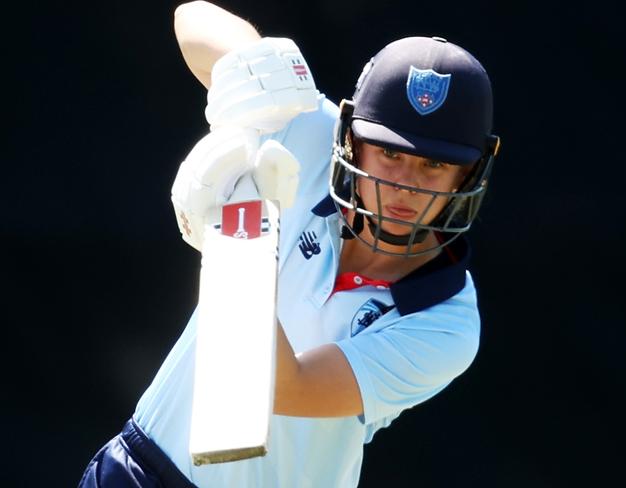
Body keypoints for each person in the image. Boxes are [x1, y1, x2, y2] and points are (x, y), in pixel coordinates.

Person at [78, 1, 500, 486]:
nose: (405, 184)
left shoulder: (448, 321)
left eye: (434, 165)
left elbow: (283, 388)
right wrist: (262, 70)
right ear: (351, 139)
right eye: (388, 153)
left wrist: (237, 234)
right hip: (142, 471)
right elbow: (191, 19)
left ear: (469, 174)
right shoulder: (310, 134)